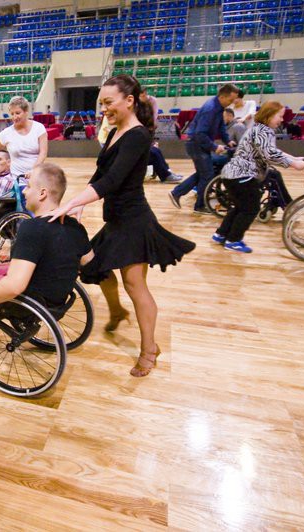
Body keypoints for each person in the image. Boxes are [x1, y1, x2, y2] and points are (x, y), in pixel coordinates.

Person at [47, 74, 196, 378]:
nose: (103, 109)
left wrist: (72, 203)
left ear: (129, 100)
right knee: (95, 268)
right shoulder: (116, 131)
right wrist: (79, 205)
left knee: (135, 285)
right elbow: (102, 173)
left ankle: (149, 349)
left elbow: (113, 181)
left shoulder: (138, 135)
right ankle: (116, 310)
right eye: (101, 103)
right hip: (116, 220)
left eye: (108, 102)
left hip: (134, 221)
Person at [0, 162, 92, 323]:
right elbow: (88, 263)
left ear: (42, 193)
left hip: (32, 301)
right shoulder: (75, 226)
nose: (24, 191)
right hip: (56, 296)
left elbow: (15, 286)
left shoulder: (32, 228)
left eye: (28, 187)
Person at [211, 101, 304, 253]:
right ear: (269, 115)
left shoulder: (258, 129)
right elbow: (269, 154)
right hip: (243, 175)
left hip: (232, 174)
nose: (282, 120)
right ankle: (233, 240)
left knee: (240, 207)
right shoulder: (264, 131)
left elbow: (272, 150)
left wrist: (294, 158)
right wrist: (293, 163)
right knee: (250, 209)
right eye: (279, 116)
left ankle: (221, 234)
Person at [168, 83, 240, 214]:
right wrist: (214, 147)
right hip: (196, 145)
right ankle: (199, 206)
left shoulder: (219, 107)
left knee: (203, 173)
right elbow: (200, 134)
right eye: (230, 100)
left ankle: (176, 193)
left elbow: (221, 127)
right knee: (207, 175)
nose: (231, 103)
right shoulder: (210, 109)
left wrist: (228, 141)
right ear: (222, 97)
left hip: (199, 144)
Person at [0, 96, 48, 179]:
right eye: (12, 114)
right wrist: (4, 168)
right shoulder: (6, 133)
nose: (14, 117)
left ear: (26, 112)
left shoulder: (39, 128)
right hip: (15, 179)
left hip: (37, 176)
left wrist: (34, 170)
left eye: (18, 113)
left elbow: (43, 153)